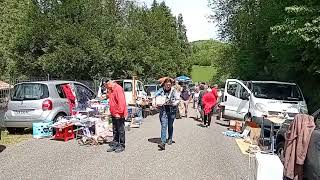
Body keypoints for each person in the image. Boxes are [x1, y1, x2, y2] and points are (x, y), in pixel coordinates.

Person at [155, 77, 180, 150]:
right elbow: (155, 96)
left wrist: (173, 103)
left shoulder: (174, 91)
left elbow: (178, 99)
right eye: (167, 84)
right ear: (164, 84)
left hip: (172, 110)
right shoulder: (160, 90)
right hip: (163, 111)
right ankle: (163, 142)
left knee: (170, 125)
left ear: (171, 85)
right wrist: (156, 102)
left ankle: (170, 138)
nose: (168, 86)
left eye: (169, 84)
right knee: (164, 125)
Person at [105, 80, 128, 153]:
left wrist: (119, 112)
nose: (106, 87)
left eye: (106, 86)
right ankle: (115, 143)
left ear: (109, 83)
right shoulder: (111, 89)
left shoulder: (118, 89)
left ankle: (121, 145)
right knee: (115, 129)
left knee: (120, 130)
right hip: (113, 112)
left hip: (118, 113)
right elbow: (110, 98)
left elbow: (122, 102)